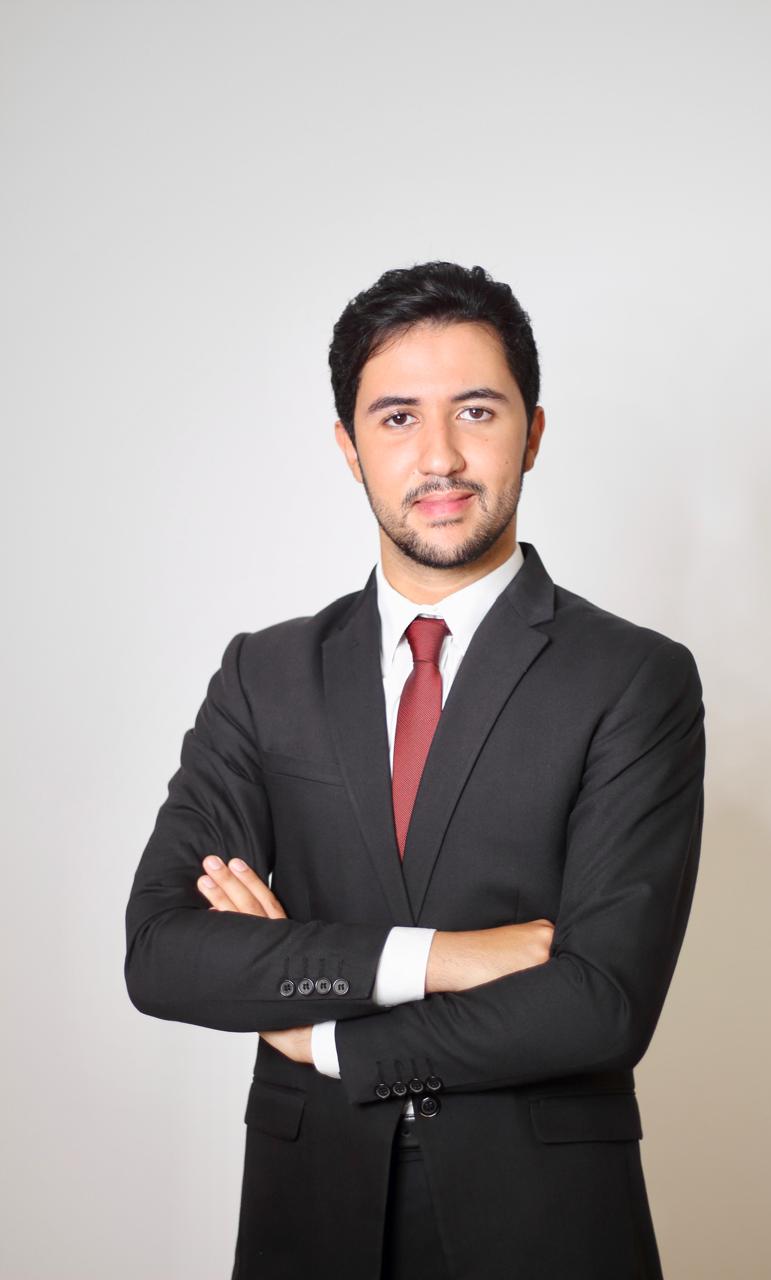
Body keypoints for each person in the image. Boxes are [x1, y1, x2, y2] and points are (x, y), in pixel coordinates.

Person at [125, 261, 706, 1279]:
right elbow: (165, 952)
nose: (439, 456)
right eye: (397, 418)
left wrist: (324, 1037)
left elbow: (599, 1001)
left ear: (532, 431)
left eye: (475, 410)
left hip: (545, 1224)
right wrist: (440, 956)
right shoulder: (266, 675)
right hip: (308, 1214)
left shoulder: (632, 678)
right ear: (349, 447)